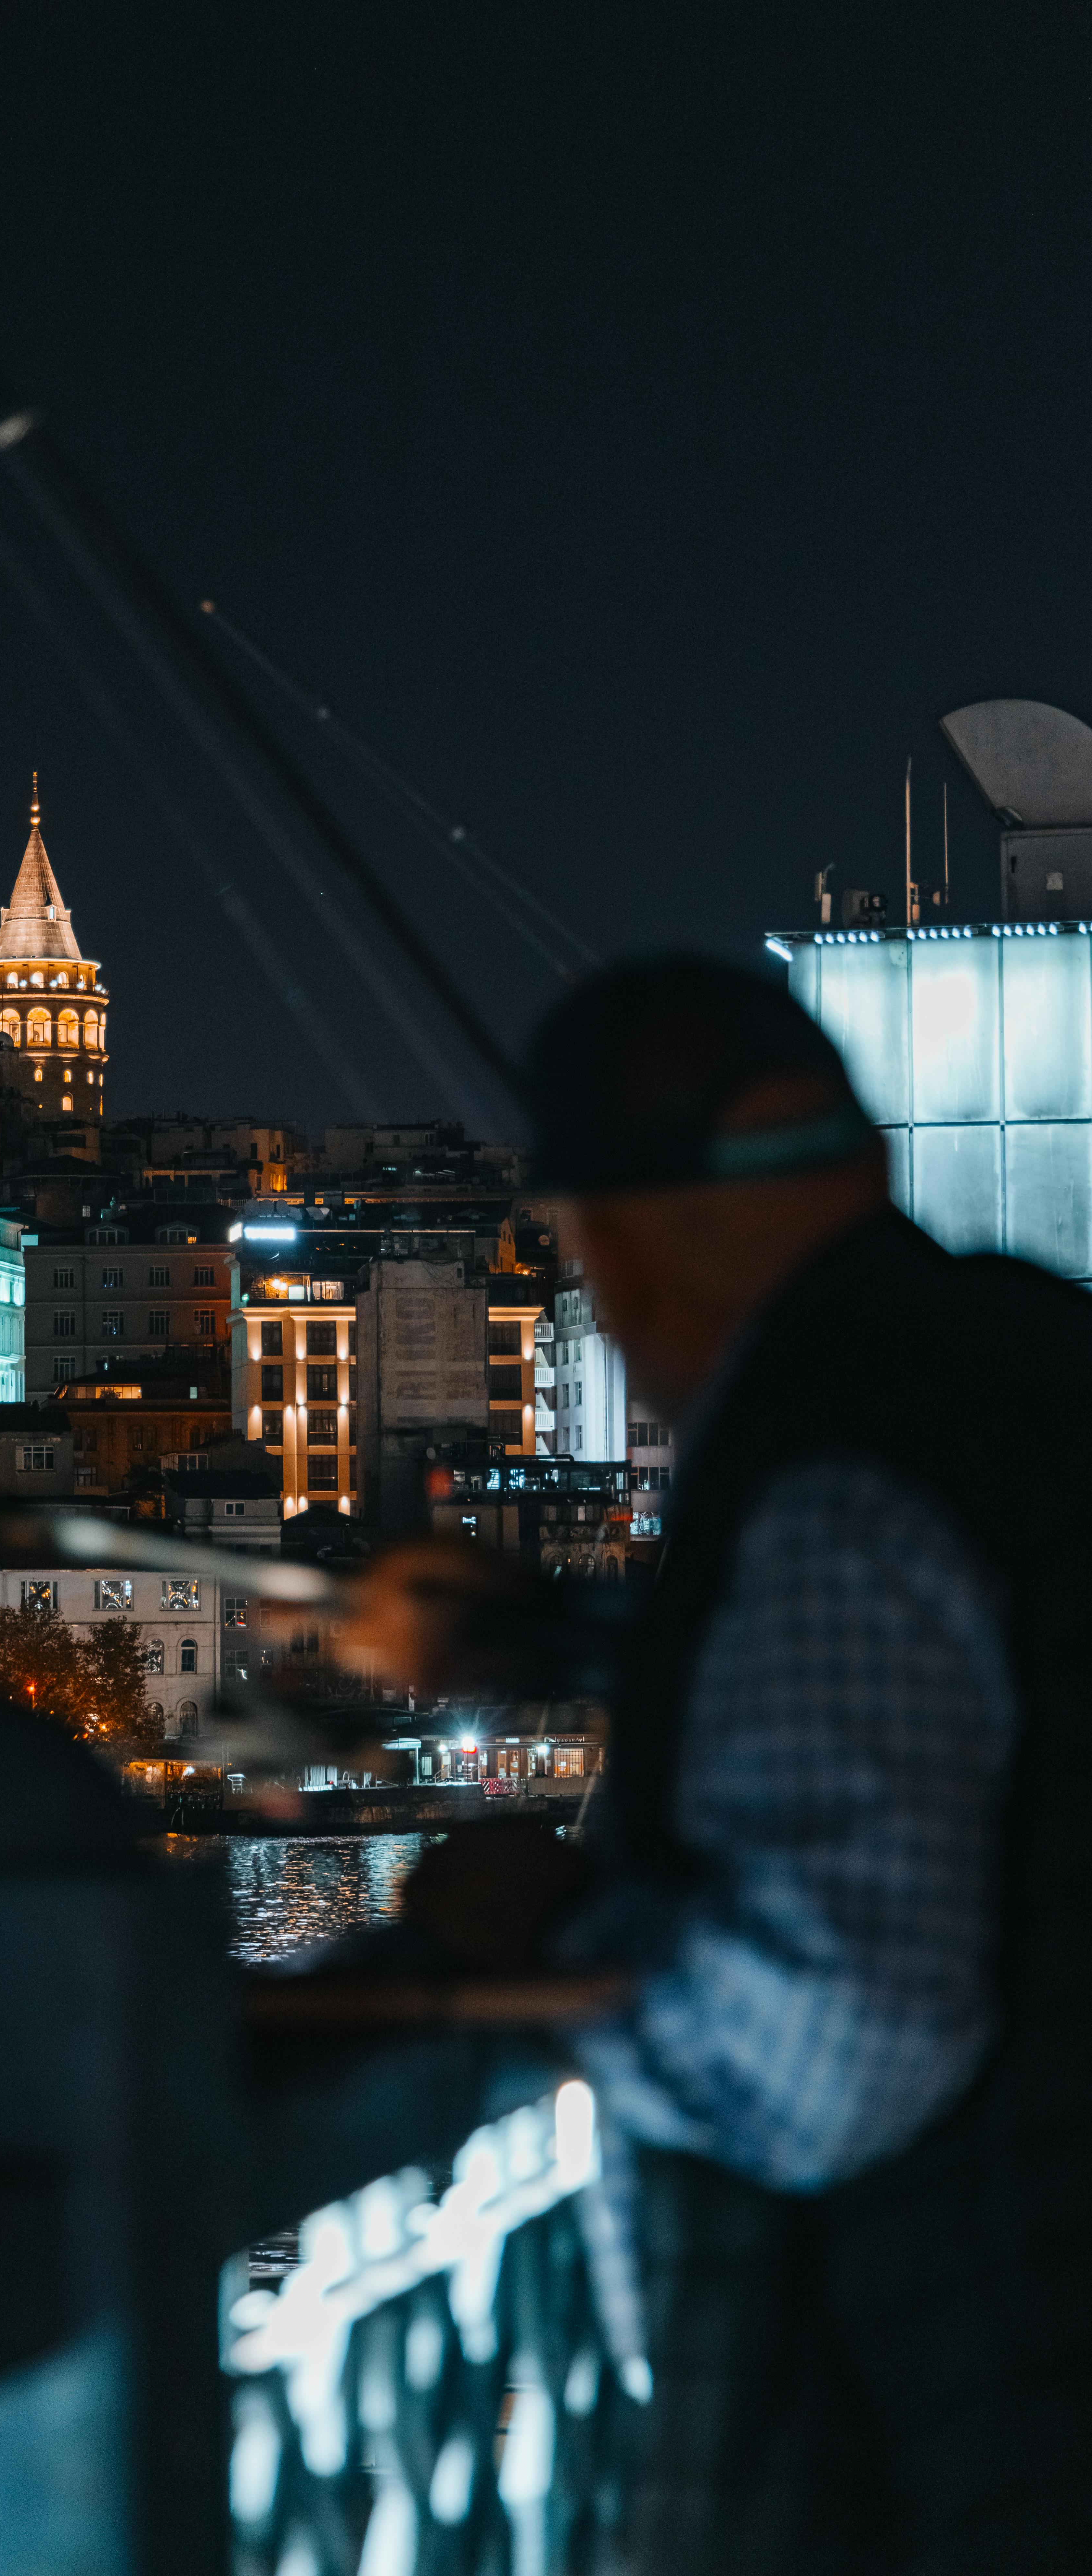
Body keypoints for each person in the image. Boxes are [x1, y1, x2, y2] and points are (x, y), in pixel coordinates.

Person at [347, 956, 1092, 2573]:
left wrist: (547, 1932)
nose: (599, 1302)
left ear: (653, 1229)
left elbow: (843, 2031)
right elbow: (982, 1695)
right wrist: (566, 1638)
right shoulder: (1026, 1359)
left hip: (951, 2439)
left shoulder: (829, 1473)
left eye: (582, 1251)